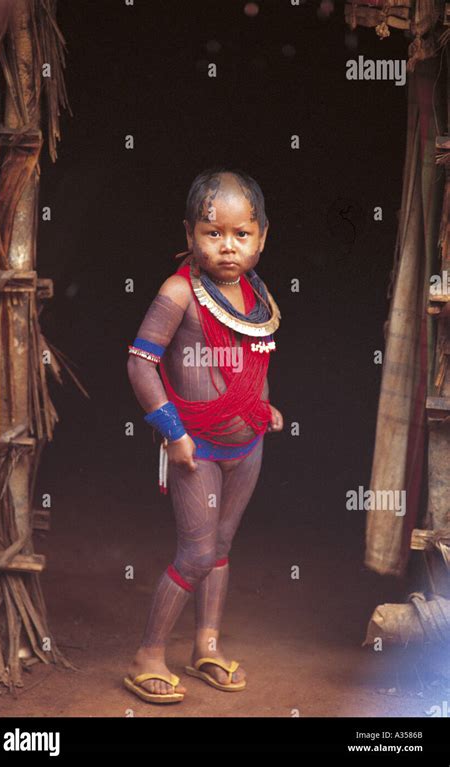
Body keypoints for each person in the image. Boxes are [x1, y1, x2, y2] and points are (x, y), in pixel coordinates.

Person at [124, 168, 283, 704]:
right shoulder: (179, 291)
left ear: (263, 235)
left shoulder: (255, 293)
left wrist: (263, 405)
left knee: (221, 547)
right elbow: (140, 364)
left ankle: (206, 646)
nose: (229, 247)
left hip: (248, 442)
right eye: (213, 234)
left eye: (242, 234)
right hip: (196, 446)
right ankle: (148, 654)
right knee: (195, 552)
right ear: (189, 233)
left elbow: (254, 357)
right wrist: (173, 433)